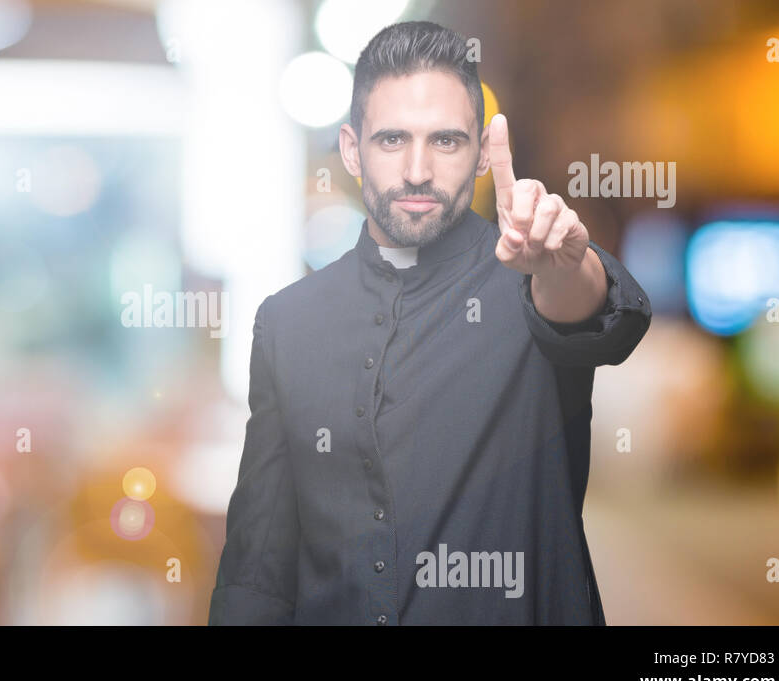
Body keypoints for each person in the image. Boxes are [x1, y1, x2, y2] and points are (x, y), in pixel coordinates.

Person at [208, 20, 651, 625]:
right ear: (351, 150)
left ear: (478, 155)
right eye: (392, 140)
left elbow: (601, 318)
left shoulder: (532, 278)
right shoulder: (287, 323)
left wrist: (565, 265)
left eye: (445, 141)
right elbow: (256, 570)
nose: (417, 170)